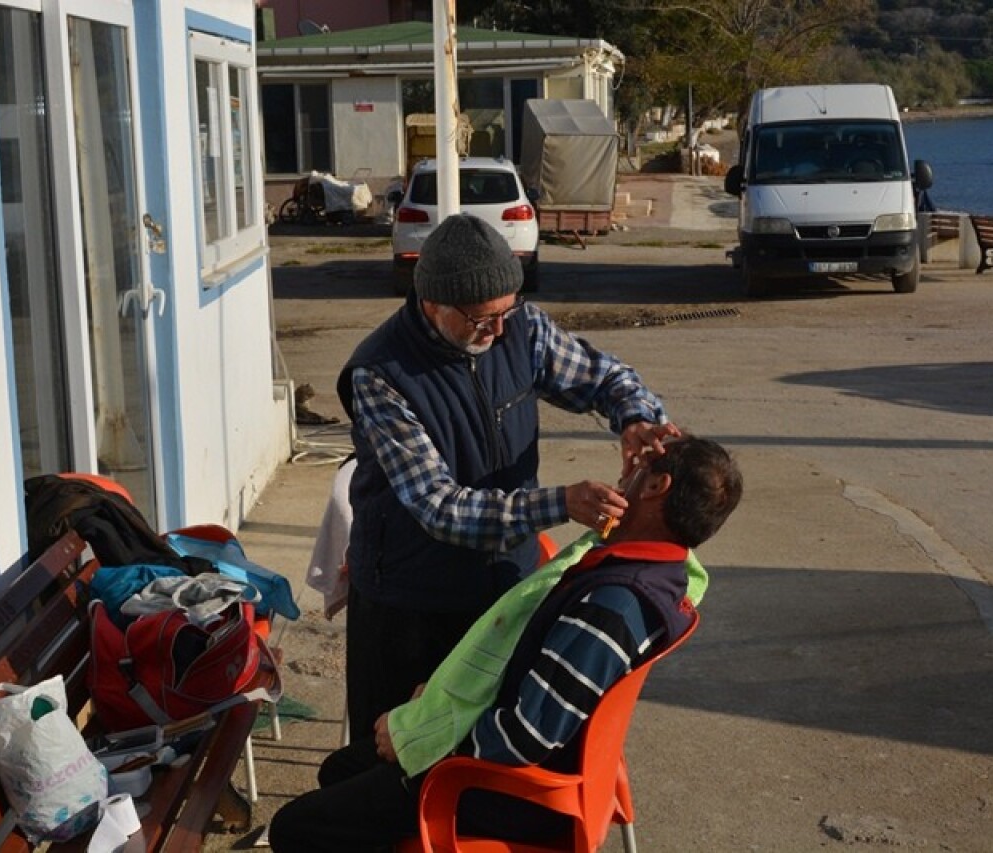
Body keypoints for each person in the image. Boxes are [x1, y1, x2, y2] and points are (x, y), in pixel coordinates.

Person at [267, 436, 743, 852]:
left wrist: (422, 739)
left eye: (638, 469)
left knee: (296, 829)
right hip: (532, 768)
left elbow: (524, 737)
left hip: (508, 790)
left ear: (658, 488)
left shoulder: (614, 604)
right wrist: (433, 705)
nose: (624, 473)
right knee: (343, 768)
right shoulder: (659, 569)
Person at [335, 213, 682, 739]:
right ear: (433, 303)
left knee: (473, 740)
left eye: (506, 312)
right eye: (481, 319)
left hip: (504, 589)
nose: (497, 331)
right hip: (410, 599)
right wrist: (560, 503)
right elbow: (439, 507)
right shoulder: (380, 374)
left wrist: (636, 418)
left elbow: (606, 377)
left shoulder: (521, 328)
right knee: (385, 752)